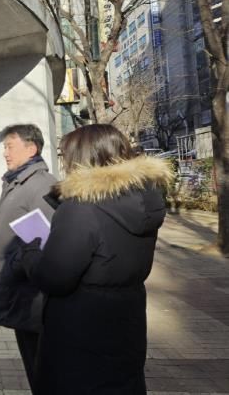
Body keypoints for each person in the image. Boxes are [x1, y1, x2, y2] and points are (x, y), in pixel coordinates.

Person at [20, 124, 172, 394]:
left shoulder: (81, 207)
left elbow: (55, 278)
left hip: (81, 328)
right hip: (127, 320)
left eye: (67, 155)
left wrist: (31, 254)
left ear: (82, 158)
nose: (65, 163)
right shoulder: (145, 198)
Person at [0, 124, 56, 392]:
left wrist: (16, 264)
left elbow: (48, 242)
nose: (5, 153)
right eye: (4, 147)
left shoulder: (40, 185)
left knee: (43, 368)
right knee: (33, 364)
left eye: (10, 146)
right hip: (20, 287)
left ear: (31, 149)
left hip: (32, 294)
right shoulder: (17, 181)